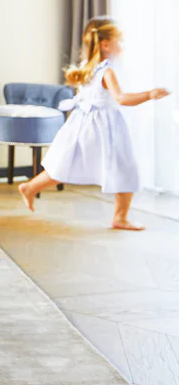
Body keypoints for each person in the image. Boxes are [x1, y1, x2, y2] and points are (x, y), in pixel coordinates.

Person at [19, 17, 171, 230]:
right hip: (104, 127)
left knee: (65, 164)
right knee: (125, 168)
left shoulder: (87, 68)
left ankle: (30, 187)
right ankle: (120, 217)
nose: (123, 45)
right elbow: (121, 98)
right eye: (120, 41)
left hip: (81, 124)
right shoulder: (107, 71)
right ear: (105, 44)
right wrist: (149, 94)